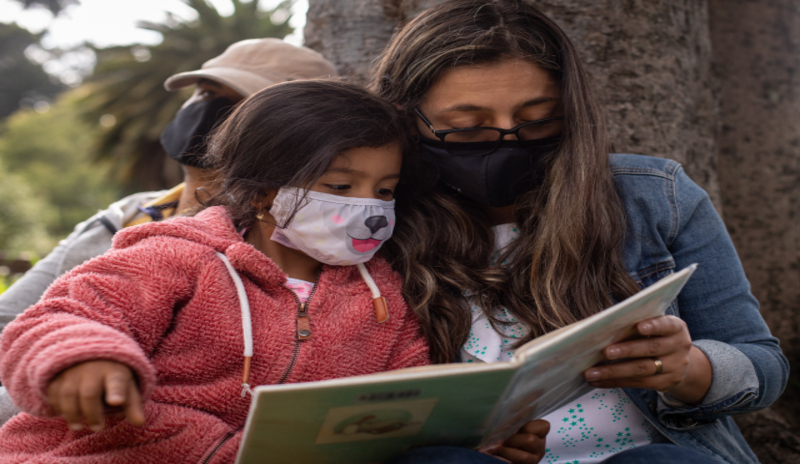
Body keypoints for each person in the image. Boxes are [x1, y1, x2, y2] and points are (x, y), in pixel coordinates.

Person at [373, 1, 789, 463]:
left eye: (538, 119)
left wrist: (688, 369)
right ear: (405, 118)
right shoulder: (372, 225)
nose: (507, 139)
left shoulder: (655, 199)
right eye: (467, 127)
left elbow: (763, 367)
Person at [0, 80, 430, 463]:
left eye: (384, 190)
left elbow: (409, 387)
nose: (369, 207)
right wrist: (84, 357)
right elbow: (62, 315)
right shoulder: (175, 254)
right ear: (263, 192)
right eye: (340, 186)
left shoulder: (382, 292)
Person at [0, 38, 336, 425]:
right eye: (206, 92)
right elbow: (12, 320)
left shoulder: (278, 245)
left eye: (238, 103)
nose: (208, 110)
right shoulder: (127, 213)